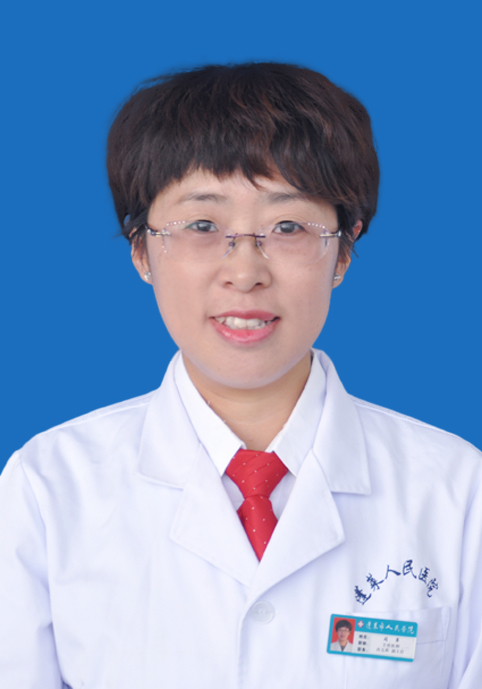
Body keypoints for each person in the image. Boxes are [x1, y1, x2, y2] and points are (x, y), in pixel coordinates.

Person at [0, 62, 481, 689]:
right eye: (203, 226)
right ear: (141, 250)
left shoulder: (458, 493)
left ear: (344, 249)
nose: (246, 272)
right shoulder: (48, 489)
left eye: (288, 227)